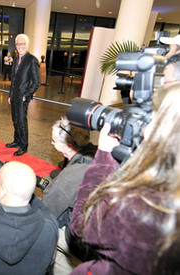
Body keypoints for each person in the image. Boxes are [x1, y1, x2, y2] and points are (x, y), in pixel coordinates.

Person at [69, 83, 180, 274]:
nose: (141, 127)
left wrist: (104, 157)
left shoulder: (137, 204)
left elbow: (80, 225)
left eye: (149, 118)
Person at [42, 117, 96, 275]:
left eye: (53, 140)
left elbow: (47, 210)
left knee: (47, 236)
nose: (51, 143)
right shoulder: (99, 153)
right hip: (102, 226)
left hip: (83, 239)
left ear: (69, 145)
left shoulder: (70, 178)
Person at [6, 34, 41, 156]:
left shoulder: (32, 60)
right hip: (14, 95)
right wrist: (10, 95)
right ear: (16, 45)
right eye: (18, 44)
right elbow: (14, 80)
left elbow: (37, 82)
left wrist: (27, 95)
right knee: (15, 120)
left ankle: (24, 145)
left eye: (23, 43)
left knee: (21, 121)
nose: (20, 46)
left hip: (23, 97)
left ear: (27, 45)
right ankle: (16, 141)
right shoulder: (16, 59)